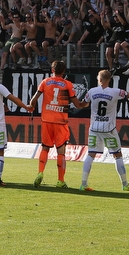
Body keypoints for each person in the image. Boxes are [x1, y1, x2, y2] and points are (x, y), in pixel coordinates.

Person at [79, 70, 129, 191]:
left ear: (99, 79)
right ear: (109, 80)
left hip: (94, 128)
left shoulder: (92, 91)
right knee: (117, 155)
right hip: (108, 128)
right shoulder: (115, 92)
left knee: (90, 154)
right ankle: (124, 184)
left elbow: (83, 104)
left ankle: (83, 184)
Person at [28, 60, 89, 188]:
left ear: (52, 70)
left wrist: (32, 107)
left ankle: (40, 172)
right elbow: (77, 104)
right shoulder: (67, 84)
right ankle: (60, 180)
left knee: (45, 147)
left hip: (46, 120)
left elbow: (33, 100)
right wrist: (86, 103)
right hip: (60, 121)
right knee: (61, 150)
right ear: (64, 71)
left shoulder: (45, 82)